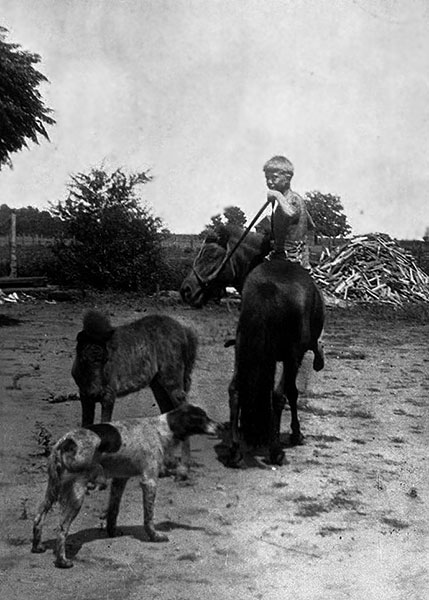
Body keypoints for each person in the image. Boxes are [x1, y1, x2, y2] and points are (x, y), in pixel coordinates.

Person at [261, 155, 314, 268]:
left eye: (274, 177)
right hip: (282, 254)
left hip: (291, 258)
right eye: (267, 178)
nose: (269, 182)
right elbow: (311, 225)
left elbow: (290, 213)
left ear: (288, 178)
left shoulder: (292, 199)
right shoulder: (290, 200)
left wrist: (277, 195)